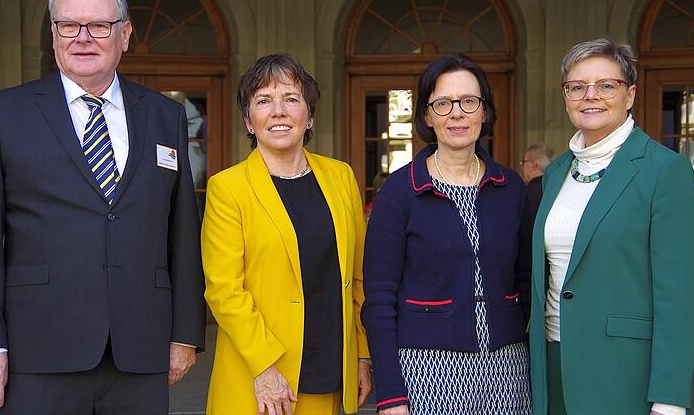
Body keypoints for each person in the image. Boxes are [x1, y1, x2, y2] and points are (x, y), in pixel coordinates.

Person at [0, 0, 205, 414]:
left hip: (139, 351)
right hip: (36, 352)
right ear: (53, 34)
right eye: (69, 25)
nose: (82, 37)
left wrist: (184, 333)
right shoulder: (3, 113)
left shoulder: (166, 116)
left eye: (99, 25)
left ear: (125, 34)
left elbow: (182, 232)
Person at [528, 38, 694, 415]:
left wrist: (670, 399)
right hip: (552, 361)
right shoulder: (557, 173)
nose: (590, 95)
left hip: (622, 370)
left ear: (630, 94)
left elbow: (677, 297)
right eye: (577, 86)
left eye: (607, 85)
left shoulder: (664, 170)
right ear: (566, 96)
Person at [201, 54, 371, 415]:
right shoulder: (227, 188)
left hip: (329, 368)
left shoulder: (341, 177)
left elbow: (359, 276)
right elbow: (224, 290)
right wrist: (264, 365)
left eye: (291, 99)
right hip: (259, 376)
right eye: (263, 101)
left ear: (309, 117)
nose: (278, 111)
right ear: (248, 121)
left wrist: (362, 353)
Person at [362, 55, 532, 415]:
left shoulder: (511, 188)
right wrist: (390, 395)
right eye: (443, 103)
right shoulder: (400, 192)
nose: (457, 114)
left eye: (469, 101)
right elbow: (379, 299)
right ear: (427, 116)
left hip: (508, 369)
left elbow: (527, 281)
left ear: (484, 111)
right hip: (427, 371)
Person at [521, 142, 555, 218]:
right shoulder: (555, 187)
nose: (522, 167)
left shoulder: (527, 192)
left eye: (523, 162)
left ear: (534, 164)